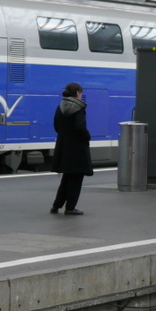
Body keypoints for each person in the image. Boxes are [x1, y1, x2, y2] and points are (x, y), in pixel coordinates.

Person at [50, 82, 93, 215]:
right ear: (77, 93)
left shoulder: (60, 107)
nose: (81, 95)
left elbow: (56, 126)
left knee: (67, 178)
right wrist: (87, 137)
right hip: (77, 148)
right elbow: (80, 127)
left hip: (64, 146)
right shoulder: (78, 108)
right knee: (76, 179)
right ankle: (70, 207)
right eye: (81, 93)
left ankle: (56, 206)